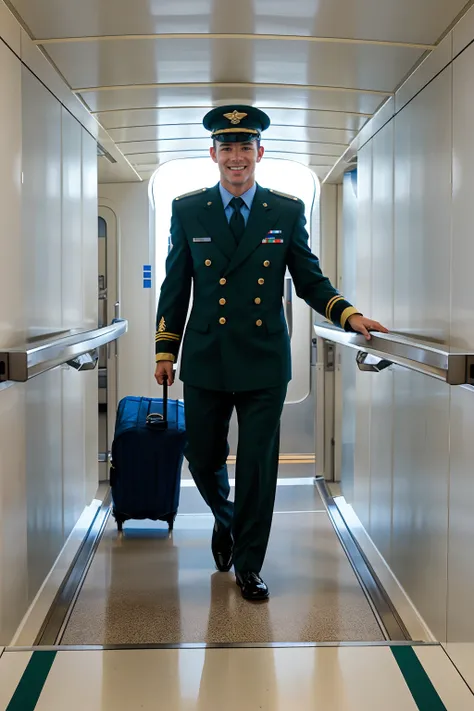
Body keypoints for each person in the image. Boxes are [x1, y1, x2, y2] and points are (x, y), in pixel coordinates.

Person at [154, 104, 387, 601]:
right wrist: (164, 350)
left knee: (259, 465)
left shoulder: (284, 210)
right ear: (212, 153)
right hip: (206, 355)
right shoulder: (187, 208)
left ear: (259, 153)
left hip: (263, 359)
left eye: (244, 148)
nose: (235, 158)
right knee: (201, 455)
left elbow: (309, 279)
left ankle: (249, 564)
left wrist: (348, 315)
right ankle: (228, 519)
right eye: (227, 148)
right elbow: (175, 288)